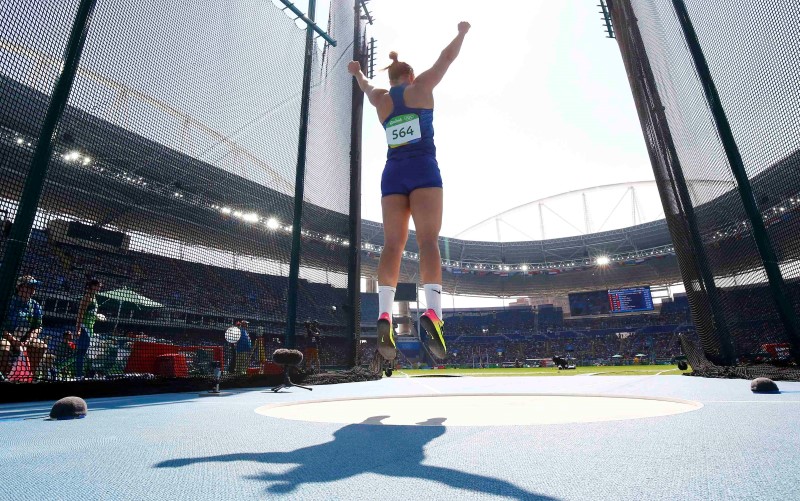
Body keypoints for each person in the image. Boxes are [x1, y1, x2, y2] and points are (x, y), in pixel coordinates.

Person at [348, 21, 471, 361]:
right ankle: (434, 314)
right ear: (411, 77)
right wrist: (461, 33)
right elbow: (446, 58)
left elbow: (366, 85)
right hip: (423, 170)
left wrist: (358, 73)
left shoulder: (380, 100)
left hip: (392, 175)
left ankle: (384, 313)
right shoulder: (421, 89)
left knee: (392, 245)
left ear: (392, 80)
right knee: (428, 241)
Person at [0, 275, 47, 379]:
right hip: (6, 337)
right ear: (20, 287)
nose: (33, 289)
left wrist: (30, 339)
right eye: (29, 286)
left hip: (24, 340)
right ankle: (4, 377)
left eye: (34, 287)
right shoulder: (9, 302)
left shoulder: (35, 306)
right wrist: (13, 340)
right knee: (4, 346)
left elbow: (38, 327)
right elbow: (1, 326)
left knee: (41, 346)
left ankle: (28, 377)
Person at [75, 277, 102, 379]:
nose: (99, 288)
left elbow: (90, 313)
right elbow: (80, 313)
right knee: (81, 352)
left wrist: (97, 316)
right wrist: (78, 329)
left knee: (86, 352)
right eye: (97, 286)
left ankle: (85, 374)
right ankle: (78, 376)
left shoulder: (94, 298)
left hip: (90, 328)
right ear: (92, 286)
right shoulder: (87, 297)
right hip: (84, 328)